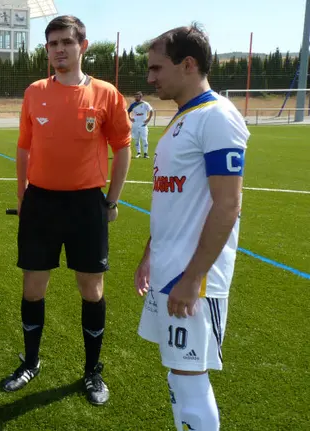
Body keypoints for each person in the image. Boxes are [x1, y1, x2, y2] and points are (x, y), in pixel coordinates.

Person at [3, 15, 132, 406]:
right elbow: (24, 148)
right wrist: (24, 197)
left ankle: (92, 371)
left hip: (86, 205)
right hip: (41, 202)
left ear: (83, 46)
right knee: (32, 287)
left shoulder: (107, 94)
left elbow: (123, 148)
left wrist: (111, 200)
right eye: (52, 44)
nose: (58, 50)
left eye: (66, 43)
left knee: (91, 290)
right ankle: (31, 361)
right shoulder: (34, 92)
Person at [136, 24, 249, 431]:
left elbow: (228, 204)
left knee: (190, 379)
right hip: (170, 270)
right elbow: (172, 197)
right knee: (177, 375)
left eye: (156, 68)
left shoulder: (217, 117)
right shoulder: (182, 119)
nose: (150, 78)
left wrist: (194, 277)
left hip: (192, 279)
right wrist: (150, 254)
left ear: (188, 64)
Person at [128, 91, 154, 158]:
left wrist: (148, 119)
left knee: (144, 139)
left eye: (138, 96)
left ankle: (145, 153)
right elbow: (127, 112)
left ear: (141, 97)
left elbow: (151, 111)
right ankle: (138, 153)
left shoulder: (145, 104)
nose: (136, 97)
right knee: (136, 139)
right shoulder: (133, 105)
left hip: (143, 124)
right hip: (135, 124)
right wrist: (130, 118)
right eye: (135, 96)